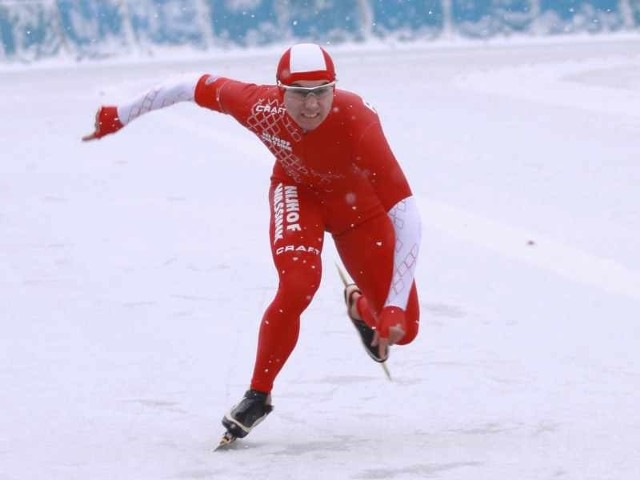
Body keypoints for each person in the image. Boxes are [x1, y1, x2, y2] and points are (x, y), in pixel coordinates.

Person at [83, 43, 422, 442]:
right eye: (299, 94)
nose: (311, 106)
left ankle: (361, 308)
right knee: (298, 285)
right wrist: (121, 115)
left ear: (335, 88)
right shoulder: (258, 105)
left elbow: (407, 216)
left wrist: (394, 307)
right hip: (299, 194)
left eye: (321, 92)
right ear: (279, 92)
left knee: (407, 329)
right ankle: (258, 394)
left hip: (359, 211)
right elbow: (188, 85)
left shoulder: (358, 121)